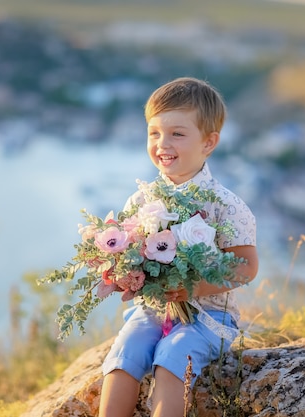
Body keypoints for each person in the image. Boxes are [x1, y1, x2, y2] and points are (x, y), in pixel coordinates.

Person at [98, 77, 259, 417]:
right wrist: (125, 274)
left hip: (208, 315)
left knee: (174, 354)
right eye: (154, 132)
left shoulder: (226, 206)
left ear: (209, 142)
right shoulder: (142, 200)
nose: (162, 143)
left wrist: (195, 287)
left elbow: (246, 266)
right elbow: (130, 252)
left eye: (177, 133)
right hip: (153, 310)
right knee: (126, 349)